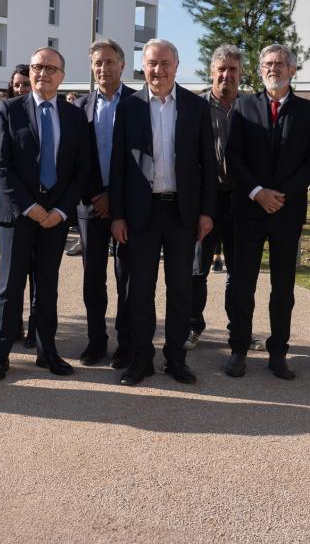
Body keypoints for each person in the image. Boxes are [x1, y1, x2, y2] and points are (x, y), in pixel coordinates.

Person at [110, 39, 217, 386]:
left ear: (176, 65)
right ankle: (142, 359)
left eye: (164, 63)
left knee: (181, 289)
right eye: (152, 63)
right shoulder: (129, 107)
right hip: (141, 214)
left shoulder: (195, 107)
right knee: (139, 289)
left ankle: (175, 359)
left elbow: (208, 164)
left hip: (182, 214)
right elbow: (118, 166)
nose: (158, 70)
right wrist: (118, 215)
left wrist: (206, 212)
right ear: (144, 66)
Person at [0, 47, 90, 382]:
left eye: (49, 68)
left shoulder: (74, 115)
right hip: (19, 214)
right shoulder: (9, 109)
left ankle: (47, 352)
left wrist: (59, 210)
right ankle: (1, 354)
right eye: (36, 67)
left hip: (55, 218)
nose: (41, 73)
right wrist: (30, 207)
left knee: (47, 285)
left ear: (61, 75)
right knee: (10, 285)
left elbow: (81, 169)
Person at [224, 44, 310, 380]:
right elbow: (233, 155)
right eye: (267, 63)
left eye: (281, 63)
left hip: (287, 210)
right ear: (260, 69)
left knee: (284, 287)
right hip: (249, 209)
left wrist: (282, 194)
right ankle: (238, 348)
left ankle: (278, 352)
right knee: (243, 284)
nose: (273, 68)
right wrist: (257, 192)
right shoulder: (243, 105)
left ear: (292, 70)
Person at [185, 44, 255, 353]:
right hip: (205, 202)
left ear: (241, 74)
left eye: (233, 70)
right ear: (212, 72)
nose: (226, 75)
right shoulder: (195, 107)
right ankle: (192, 326)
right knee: (197, 271)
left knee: (238, 274)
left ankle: (238, 330)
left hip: (241, 202)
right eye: (221, 69)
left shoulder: (251, 108)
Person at [73, 40, 135, 366]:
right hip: (89, 205)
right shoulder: (79, 107)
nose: (103, 68)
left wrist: (116, 198)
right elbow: (75, 160)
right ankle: (96, 341)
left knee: (127, 276)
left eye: (110, 62)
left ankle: (126, 344)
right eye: (98, 62)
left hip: (126, 207)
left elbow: (142, 161)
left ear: (122, 65)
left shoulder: (138, 103)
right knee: (93, 277)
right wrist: (95, 195)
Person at [6, 62, 37, 346]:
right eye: (16, 85)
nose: (20, 89)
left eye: (25, 84)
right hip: (15, 208)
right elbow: (0, 162)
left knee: (40, 280)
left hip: (45, 211)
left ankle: (36, 334)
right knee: (12, 280)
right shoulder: (6, 111)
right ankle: (9, 332)